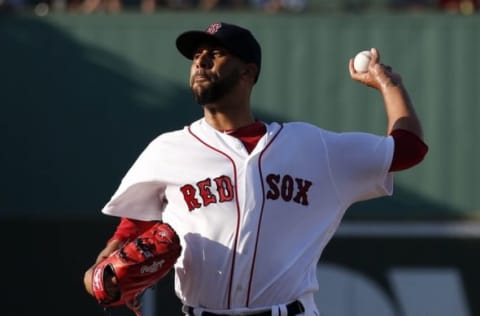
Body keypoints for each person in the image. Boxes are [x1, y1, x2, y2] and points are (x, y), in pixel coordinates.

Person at [84, 22, 428, 316]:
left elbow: (408, 149)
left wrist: (389, 85)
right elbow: (117, 250)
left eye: (215, 54)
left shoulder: (312, 147)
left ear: (248, 71)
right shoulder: (168, 151)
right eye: (196, 55)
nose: (200, 60)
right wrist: (103, 278)